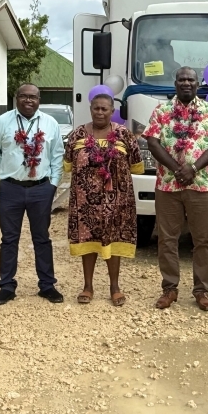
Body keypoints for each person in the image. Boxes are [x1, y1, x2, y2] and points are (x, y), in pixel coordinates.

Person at [144, 67, 208, 311]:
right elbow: (152, 142)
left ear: (198, 83)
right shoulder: (161, 111)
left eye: (190, 79)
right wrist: (176, 169)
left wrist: (193, 168)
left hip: (201, 185)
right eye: (181, 79)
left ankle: (201, 290)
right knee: (167, 239)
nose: (186, 83)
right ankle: (169, 288)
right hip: (167, 185)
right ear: (175, 83)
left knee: (203, 240)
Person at [0, 83, 65, 305]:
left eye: (33, 97)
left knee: (42, 238)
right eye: (24, 96)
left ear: (39, 100)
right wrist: (7, 172)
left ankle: (47, 285)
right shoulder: (1, 122)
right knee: (9, 239)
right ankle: (7, 286)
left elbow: (58, 155)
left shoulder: (50, 123)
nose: (28, 101)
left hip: (41, 189)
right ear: (16, 98)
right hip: (10, 189)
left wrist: (53, 184)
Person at [63, 93, 144, 306]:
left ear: (112, 111)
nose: (100, 112)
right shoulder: (77, 135)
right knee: (88, 241)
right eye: (96, 108)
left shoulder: (124, 134)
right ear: (90, 109)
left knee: (113, 241)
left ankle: (114, 287)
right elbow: (68, 164)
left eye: (104, 109)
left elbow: (137, 164)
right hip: (84, 202)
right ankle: (87, 286)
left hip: (116, 200)